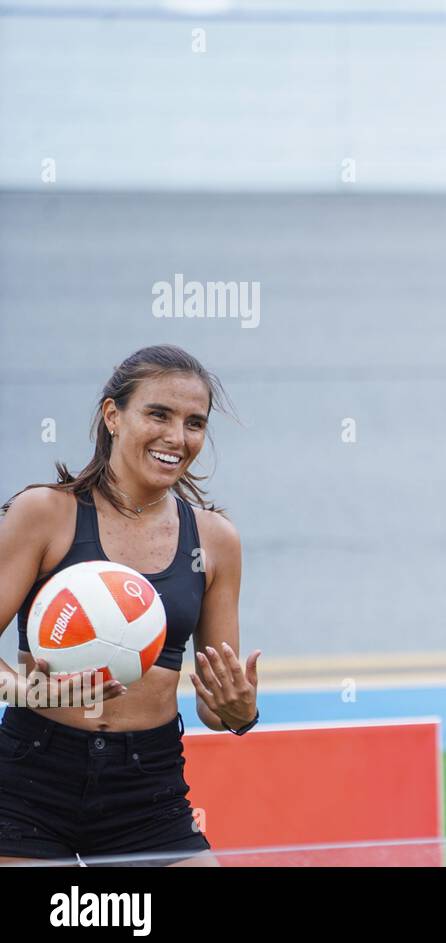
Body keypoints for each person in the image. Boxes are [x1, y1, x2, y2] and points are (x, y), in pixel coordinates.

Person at [0, 344, 261, 865]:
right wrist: (29, 692)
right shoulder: (44, 514)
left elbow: (217, 704)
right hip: (31, 775)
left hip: (147, 786)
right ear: (112, 415)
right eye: (158, 414)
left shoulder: (215, 540)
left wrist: (242, 711)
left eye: (194, 423)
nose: (176, 437)